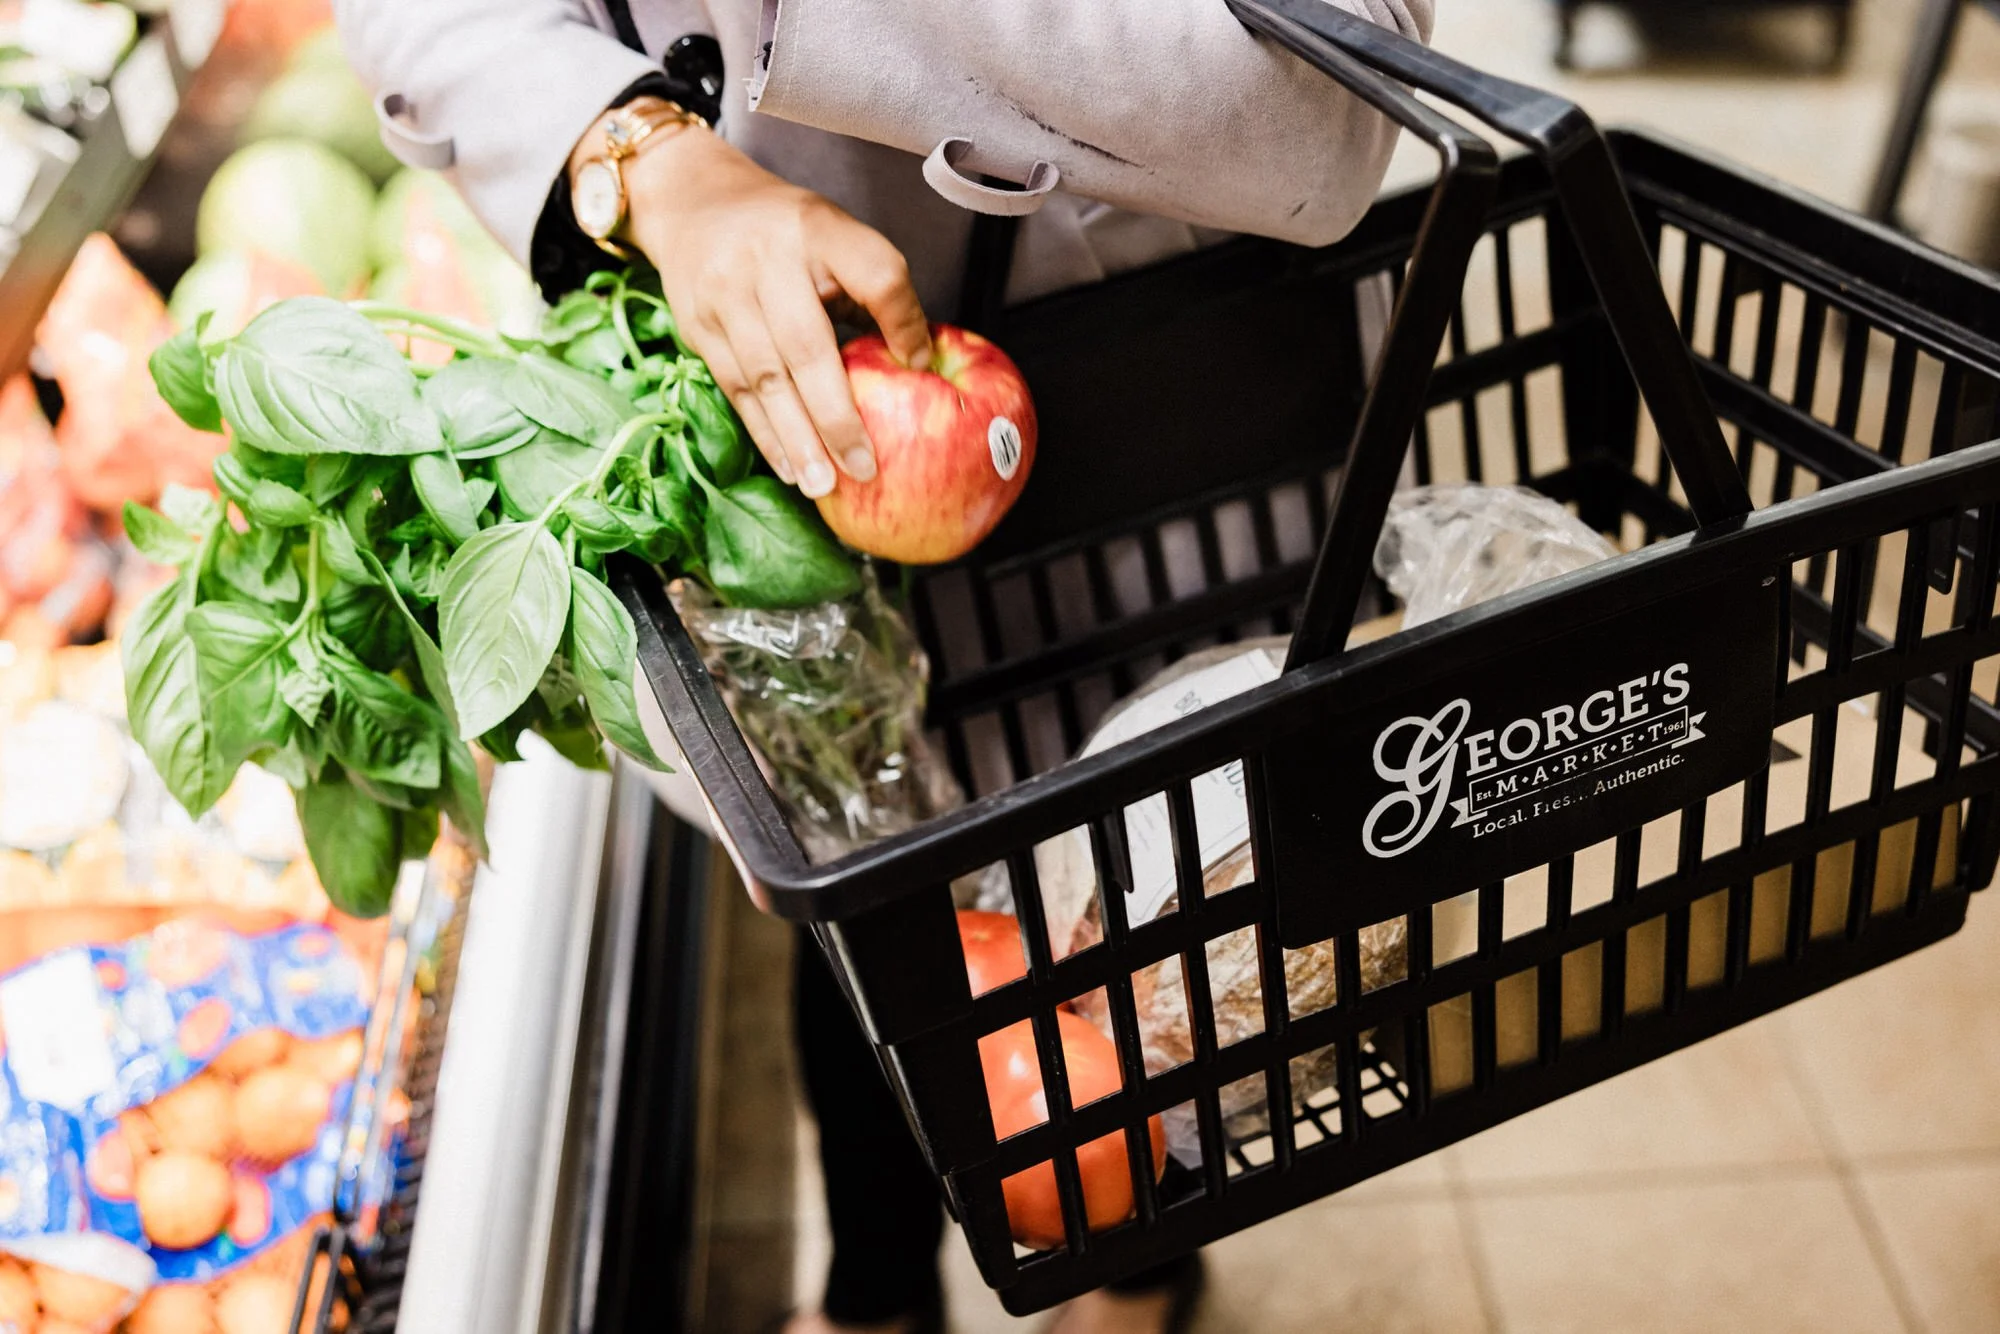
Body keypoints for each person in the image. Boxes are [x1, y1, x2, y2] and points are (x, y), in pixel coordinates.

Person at [332, 3, 1432, 1331]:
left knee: (1159, 932)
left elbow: (1323, 116)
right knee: (875, 904)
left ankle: (1140, 1266)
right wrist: (645, 149)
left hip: (1160, 397)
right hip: (778, 406)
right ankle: (875, 1286)